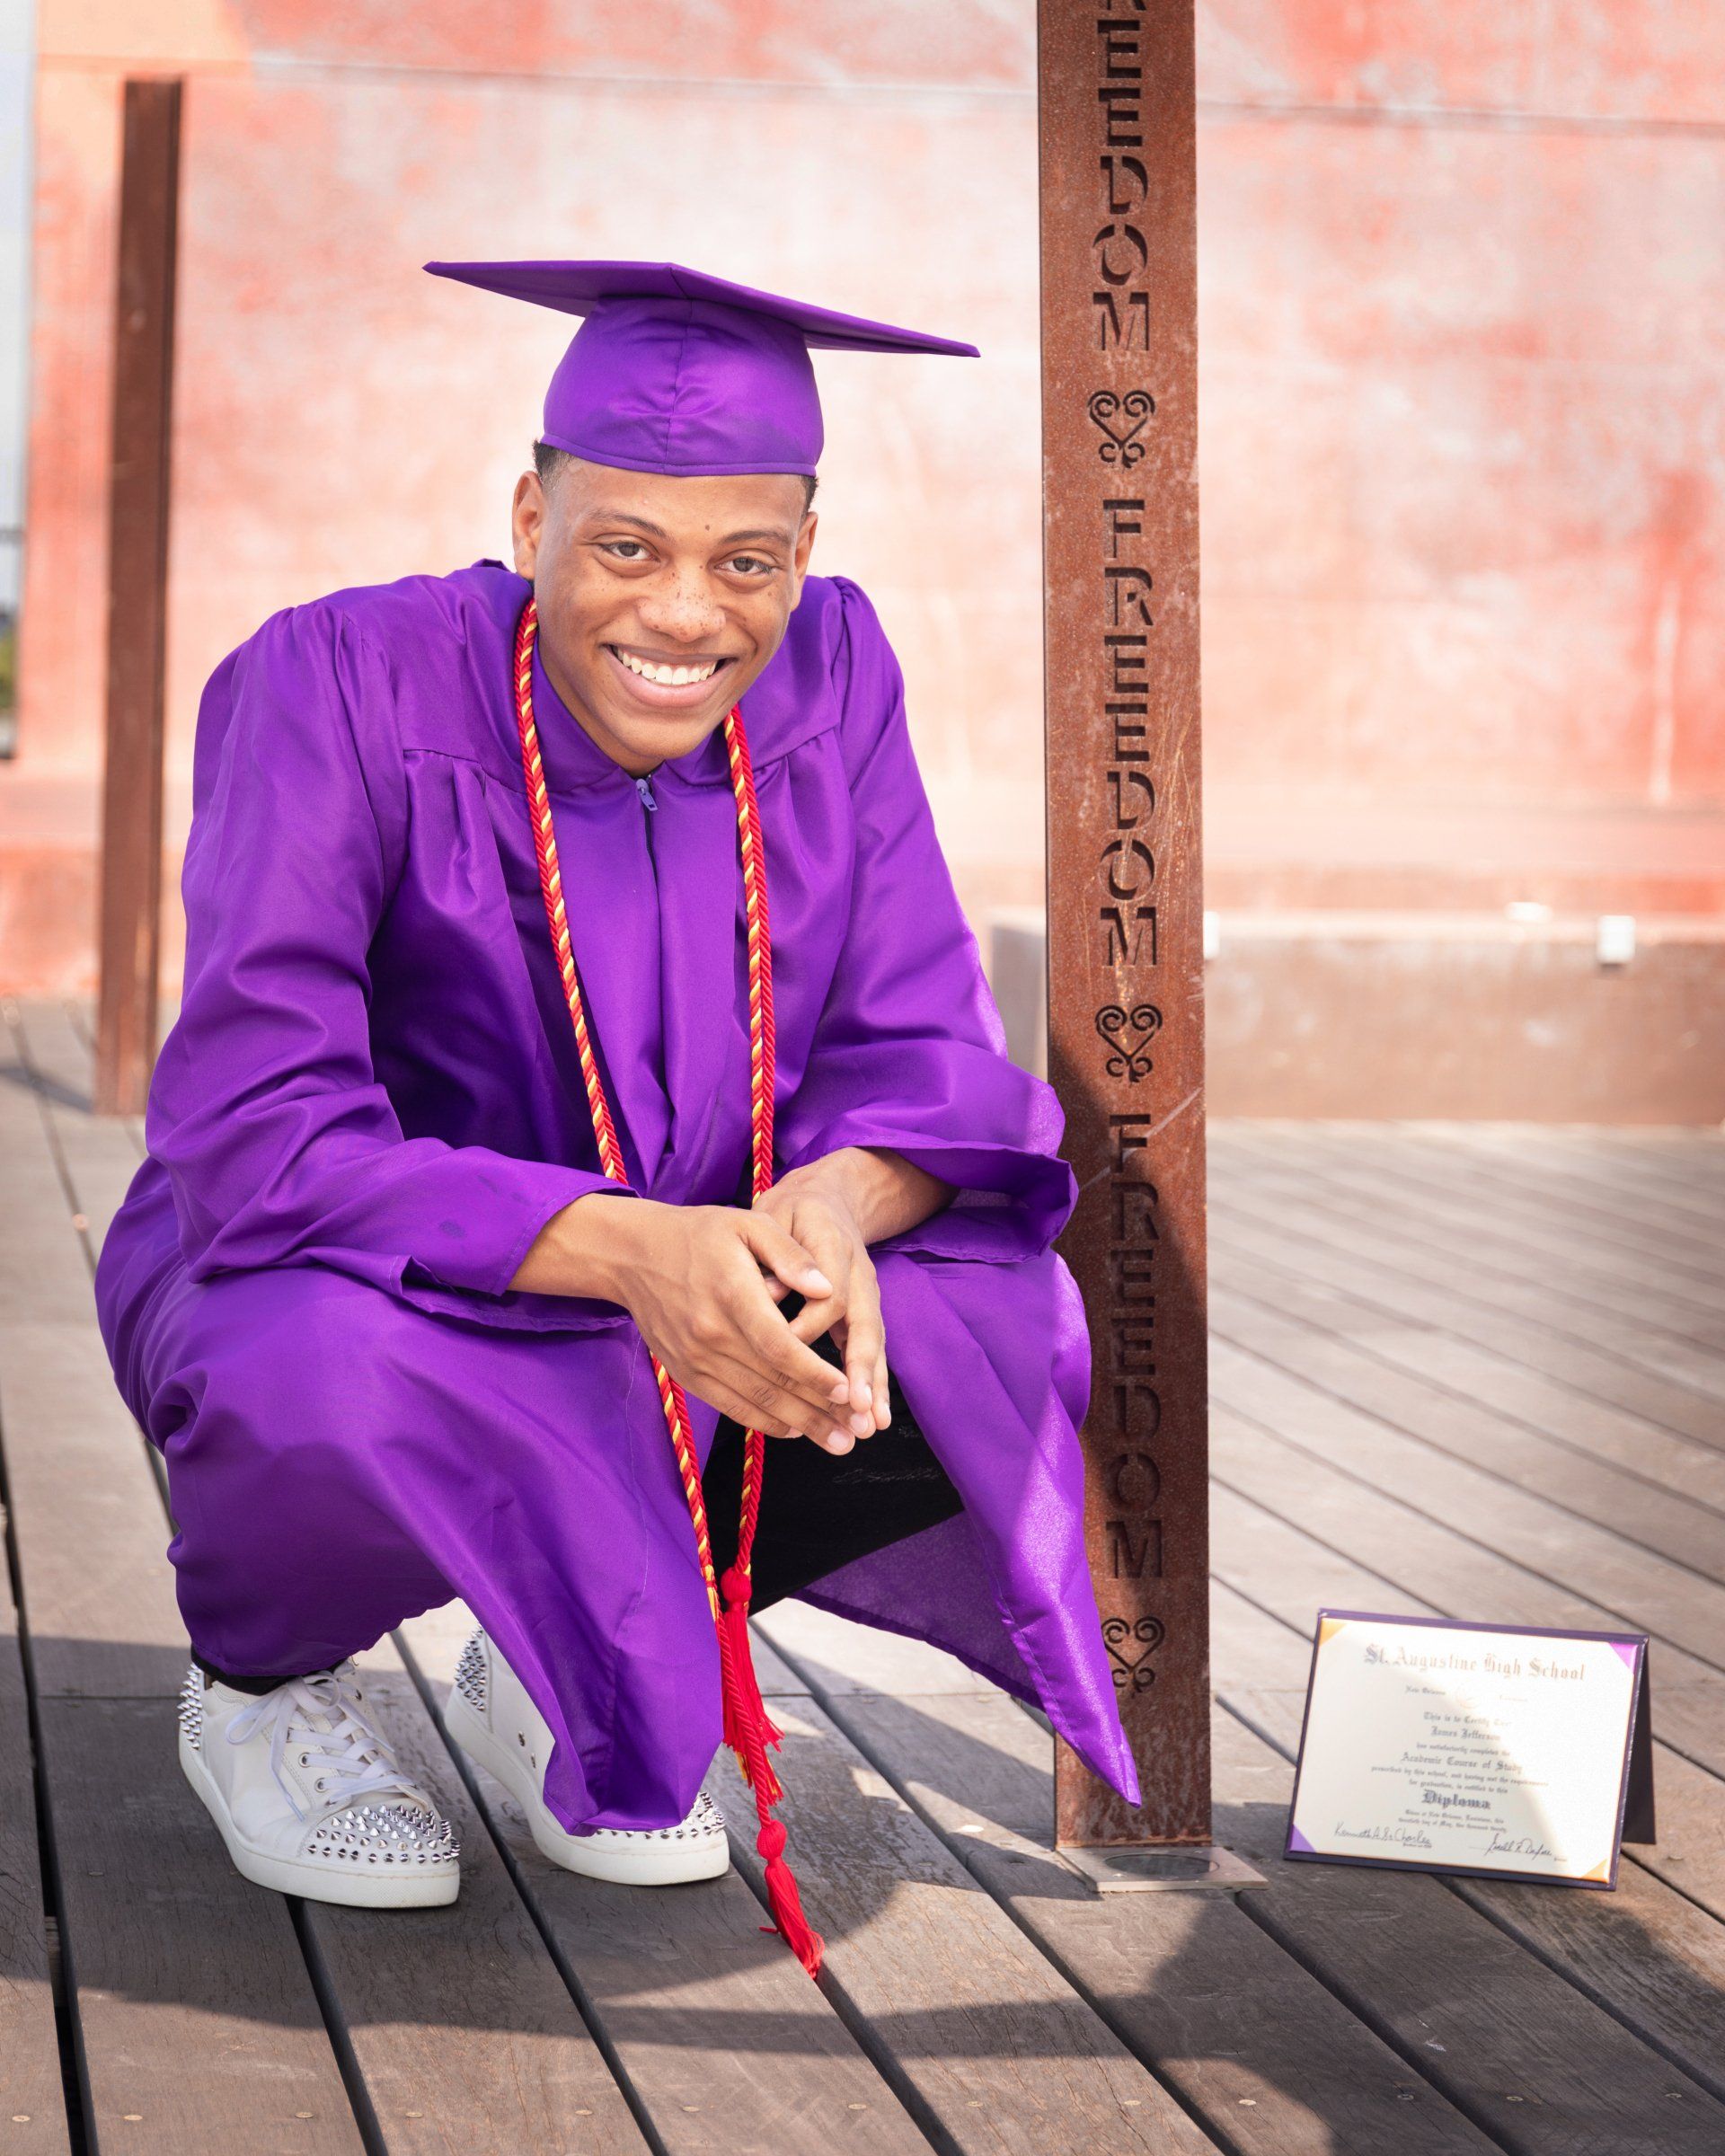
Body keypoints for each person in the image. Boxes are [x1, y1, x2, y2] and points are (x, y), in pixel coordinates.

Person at [94, 261, 1138, 1973]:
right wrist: (622, 1251)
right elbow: (254, 1120)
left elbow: (921, 1036)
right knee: (321, 1373)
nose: (685, 616)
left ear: (804, 548)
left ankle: (569, 1642)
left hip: (703, 1247)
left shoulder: (837, 673)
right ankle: (264, 1693)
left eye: (748, 560)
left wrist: (832, 1208)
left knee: (987, 1309)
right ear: (532, 515)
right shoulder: (336, 683)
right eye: (625, 547)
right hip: (354, 1253)